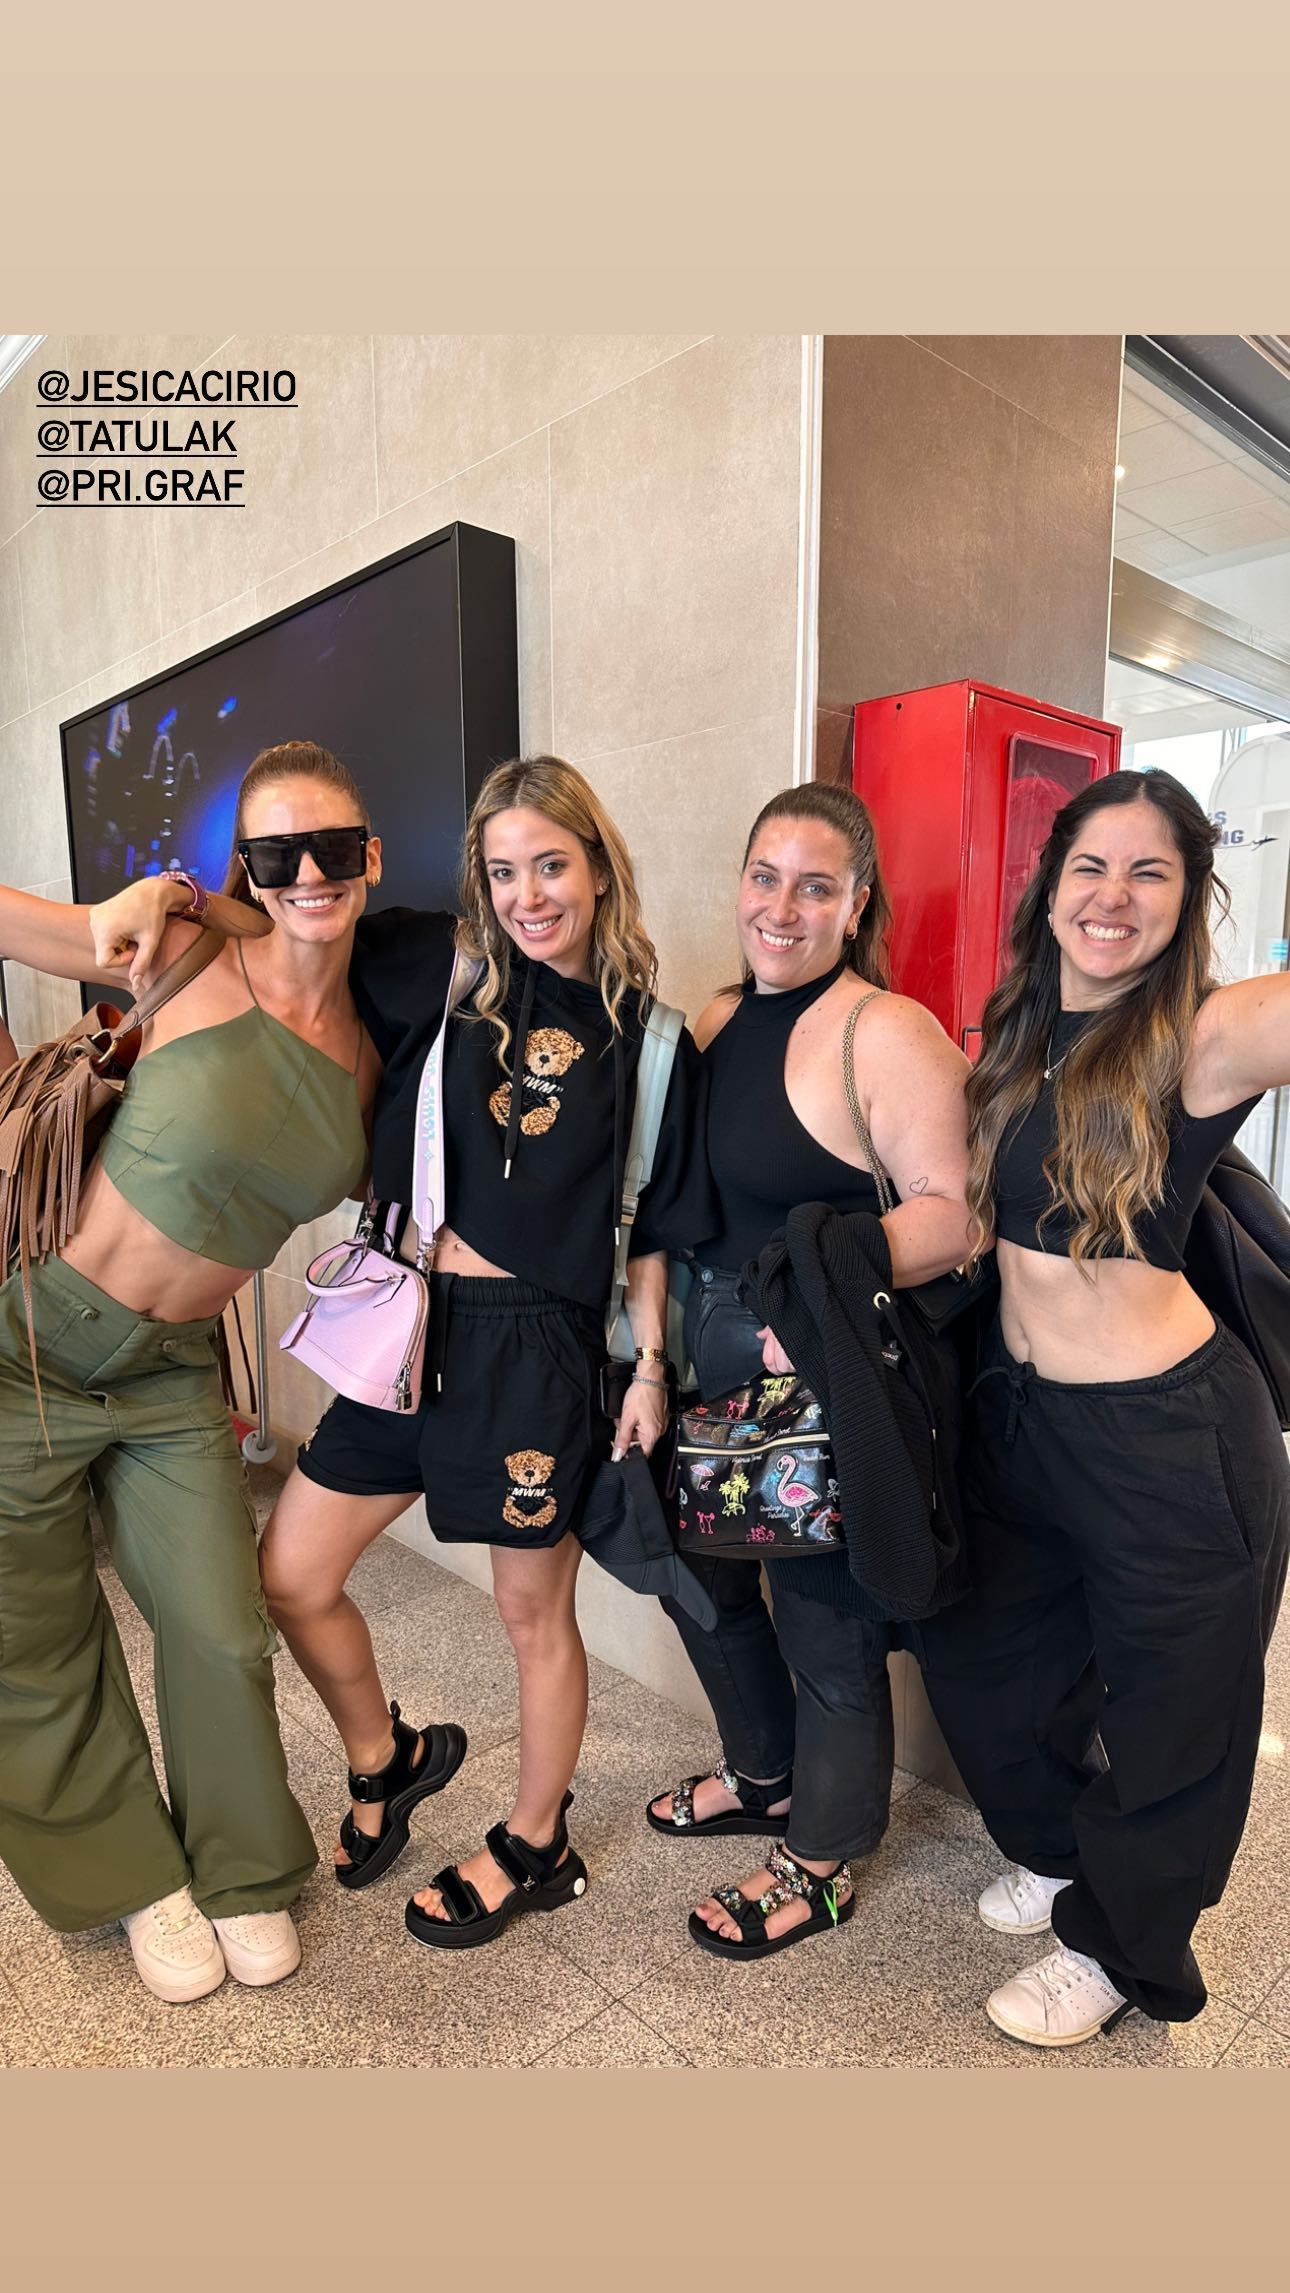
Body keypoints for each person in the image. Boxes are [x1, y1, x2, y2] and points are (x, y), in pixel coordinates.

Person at [240, 756, 714, 1948]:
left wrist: (651, 1367)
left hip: (534, 1353)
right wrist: (171, 904)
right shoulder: (438, 970)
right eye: (503, 872)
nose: (527, 895)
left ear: (598, 868)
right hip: (407, 1329)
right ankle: (387, 1755)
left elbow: (654, 1229)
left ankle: (535, 1841)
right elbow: (286, 922)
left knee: (529, 1614)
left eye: (550, 865)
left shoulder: (653, 1043)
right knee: (292, 1571)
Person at [0, 739, 383, 2004]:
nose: (310, 874)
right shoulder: (180, 951)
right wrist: (133, 902)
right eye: (278, 854)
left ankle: (238, 1864)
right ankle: (132, 1876)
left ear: (371, 857)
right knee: (29, 1633)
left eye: (334, 847)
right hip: (24, 1344)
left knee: (220, 1627)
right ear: (248, 871)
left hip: (169, 1374)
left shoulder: (369, 1059)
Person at [916, 768, 1290, 2047]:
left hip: (1169, 1439)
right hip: (1024, 1420)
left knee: (1178, 1712)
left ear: (1189, 899)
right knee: (984, 1659)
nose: (1113, 895)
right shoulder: (1018, 1035)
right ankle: (1066, 1852)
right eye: (1091, 865)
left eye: (1150, 872)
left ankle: (1122, 1947)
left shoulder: (1201, 1036)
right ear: (1050, 884)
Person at [646, 784, 973, 1957]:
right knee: (697, 1580)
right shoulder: (720, 1016)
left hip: (815, 1371)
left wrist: (819, 1291)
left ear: (855, 903)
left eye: (815, 886)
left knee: (825, 1627)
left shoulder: (882, 1030)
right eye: (766, 877)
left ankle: (822, 1861)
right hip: (700, 1359)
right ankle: (764, 1775)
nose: (782, 908)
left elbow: (955, 1216)